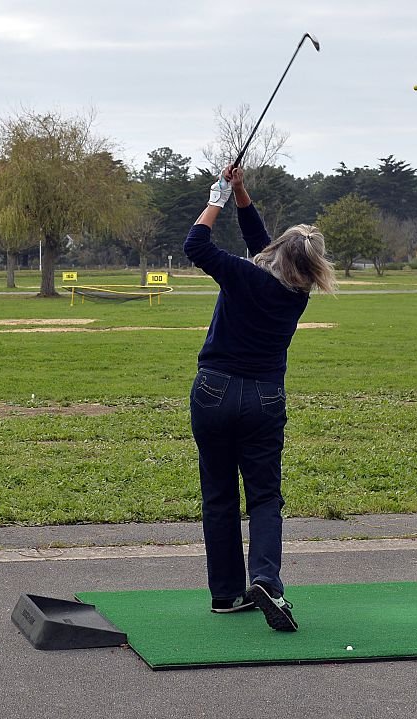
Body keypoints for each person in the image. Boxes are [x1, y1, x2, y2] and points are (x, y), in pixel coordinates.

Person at [183, 167, 336, 631]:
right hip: (264, 399)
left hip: (214, 392)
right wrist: (243, 194)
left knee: (219, 495)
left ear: (275, 255)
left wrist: (217, 200)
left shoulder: (242, 276)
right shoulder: (296, 293)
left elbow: (196, 247)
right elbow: (262, 243)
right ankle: (265, 578)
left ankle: (227, 595)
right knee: (265, 497)